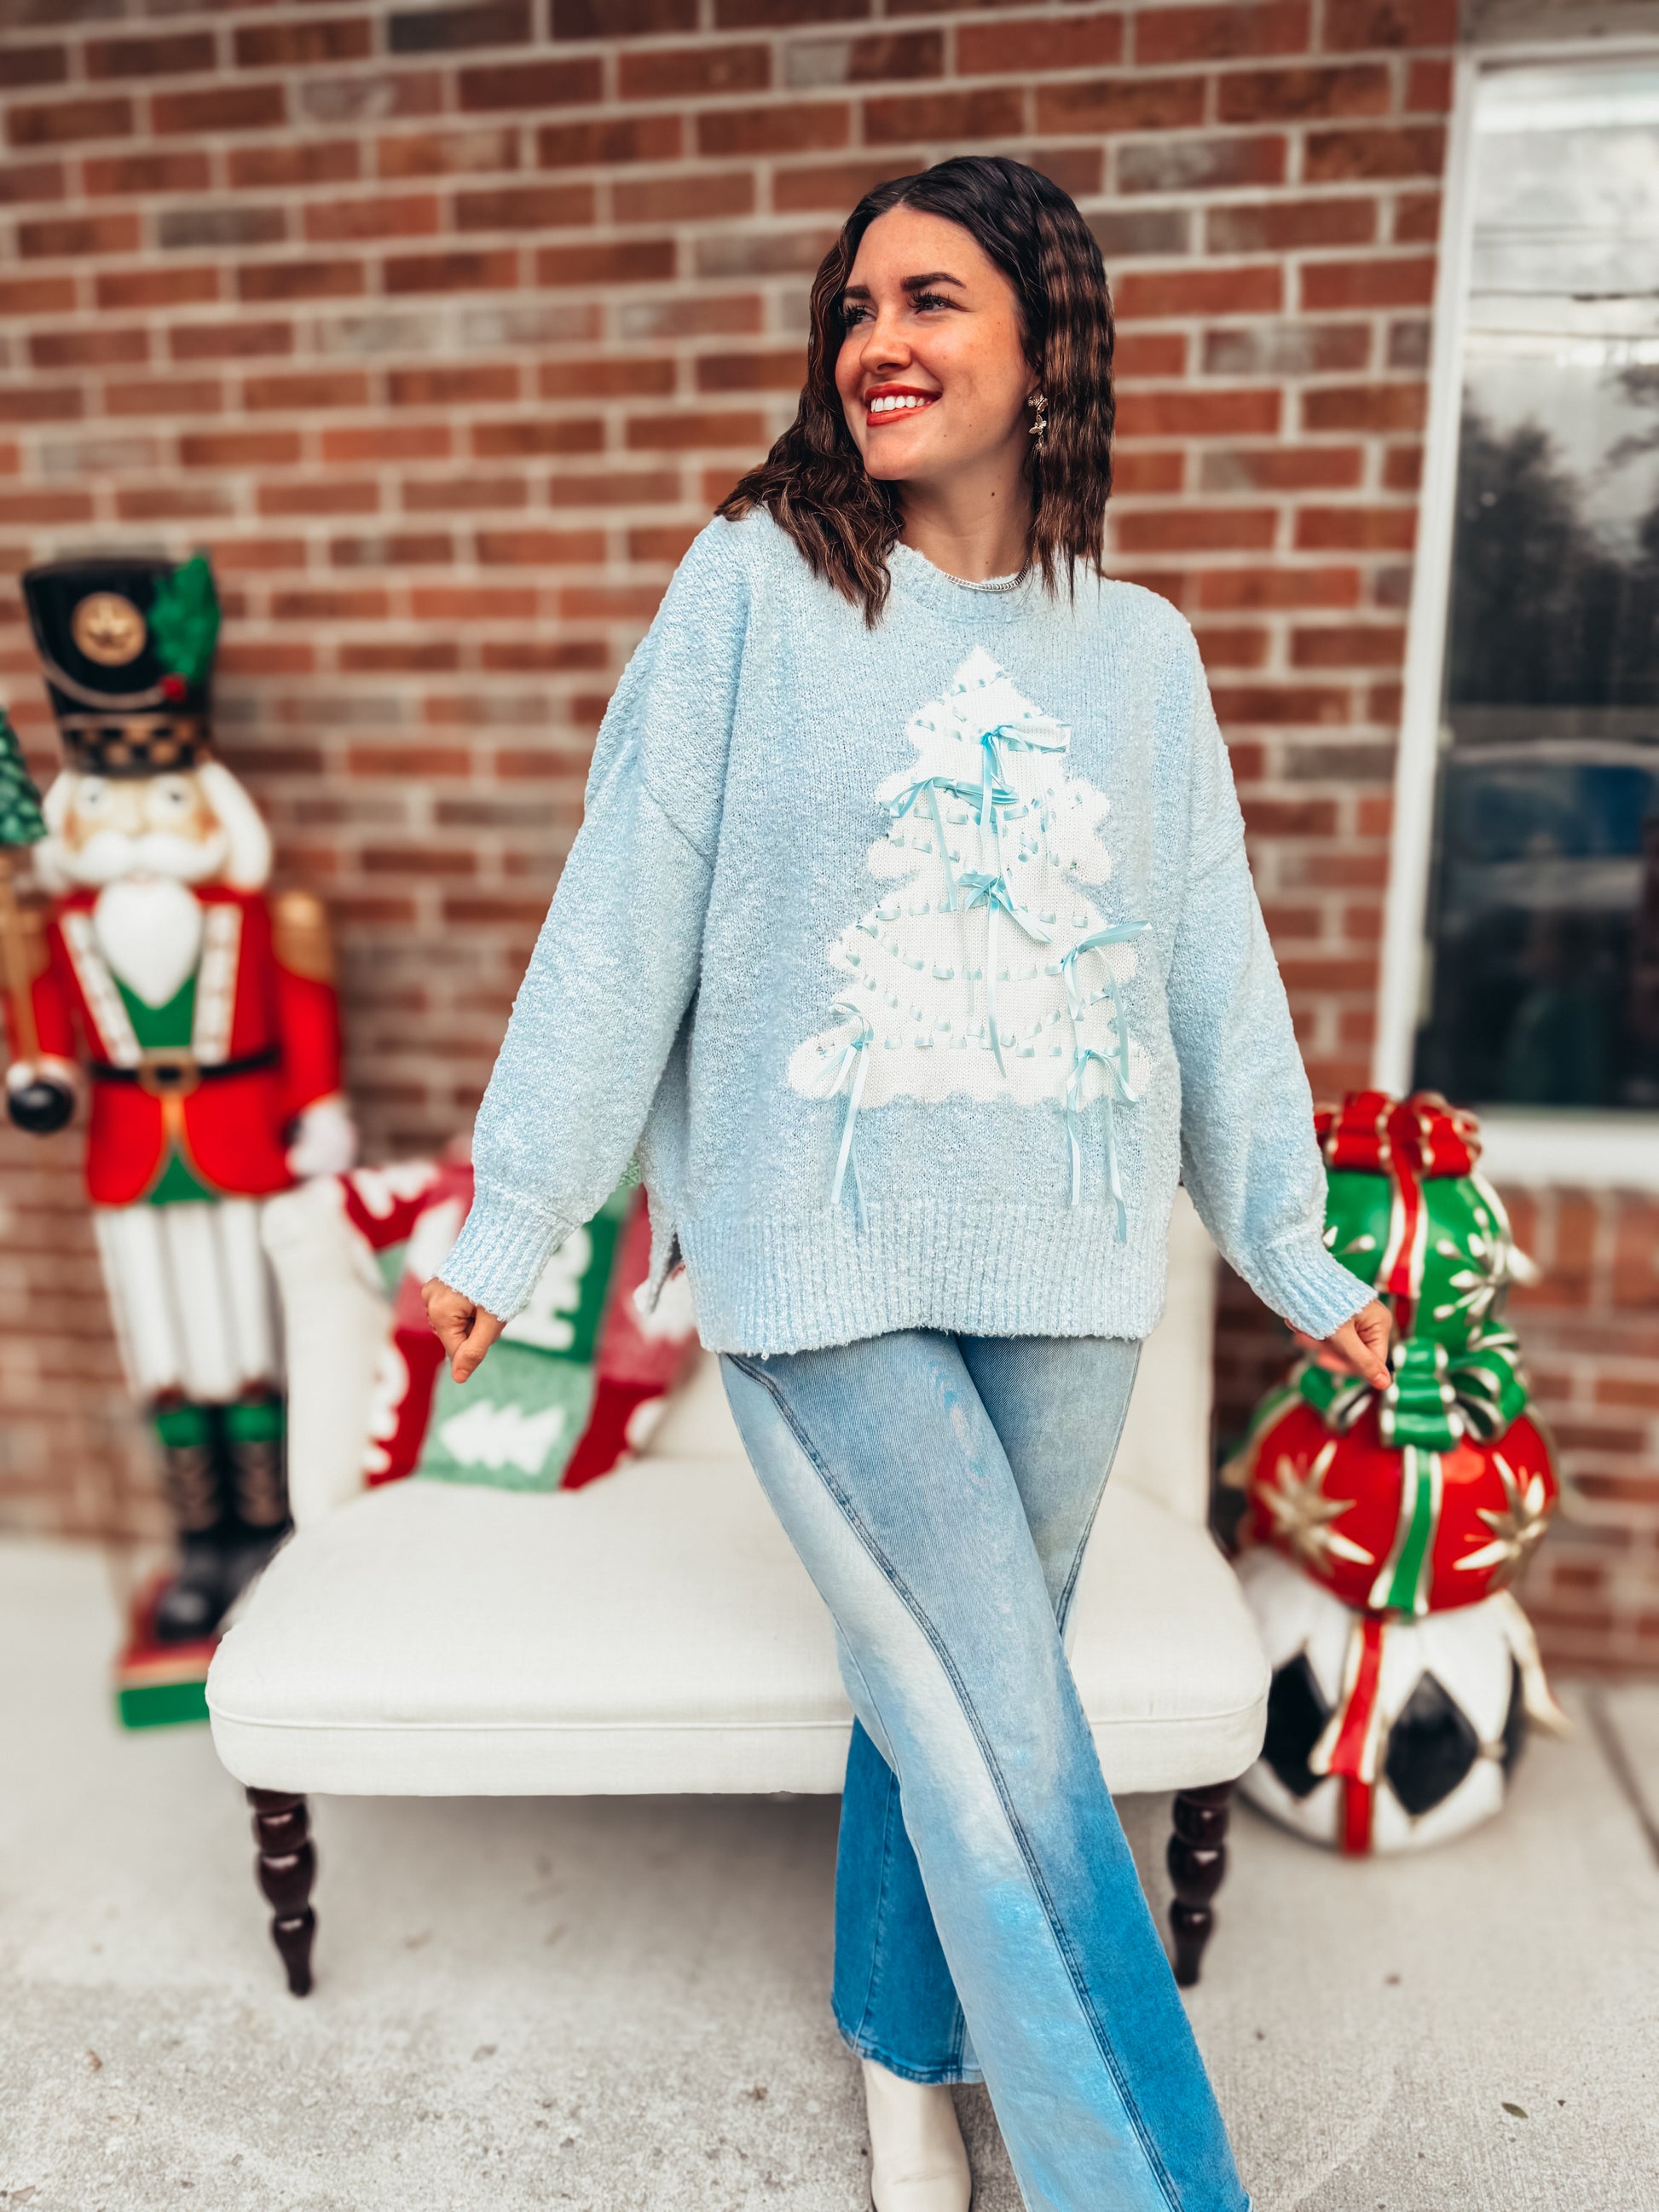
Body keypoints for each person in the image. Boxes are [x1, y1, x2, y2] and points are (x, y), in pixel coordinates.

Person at [425, 155, 1389, 2212]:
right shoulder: (750, 592)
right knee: (1006, 1727)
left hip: (1067, 1268)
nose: (877, 340)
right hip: (814, 1251)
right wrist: (521, 1208)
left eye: (931, 300)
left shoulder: (1141, 655)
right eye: (855, 307)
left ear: (1047, 347)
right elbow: (621, 909)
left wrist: (1289, 1241)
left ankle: (900, 2052)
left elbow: (1212, 963)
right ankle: (1154, 2182)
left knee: (939, 1696)